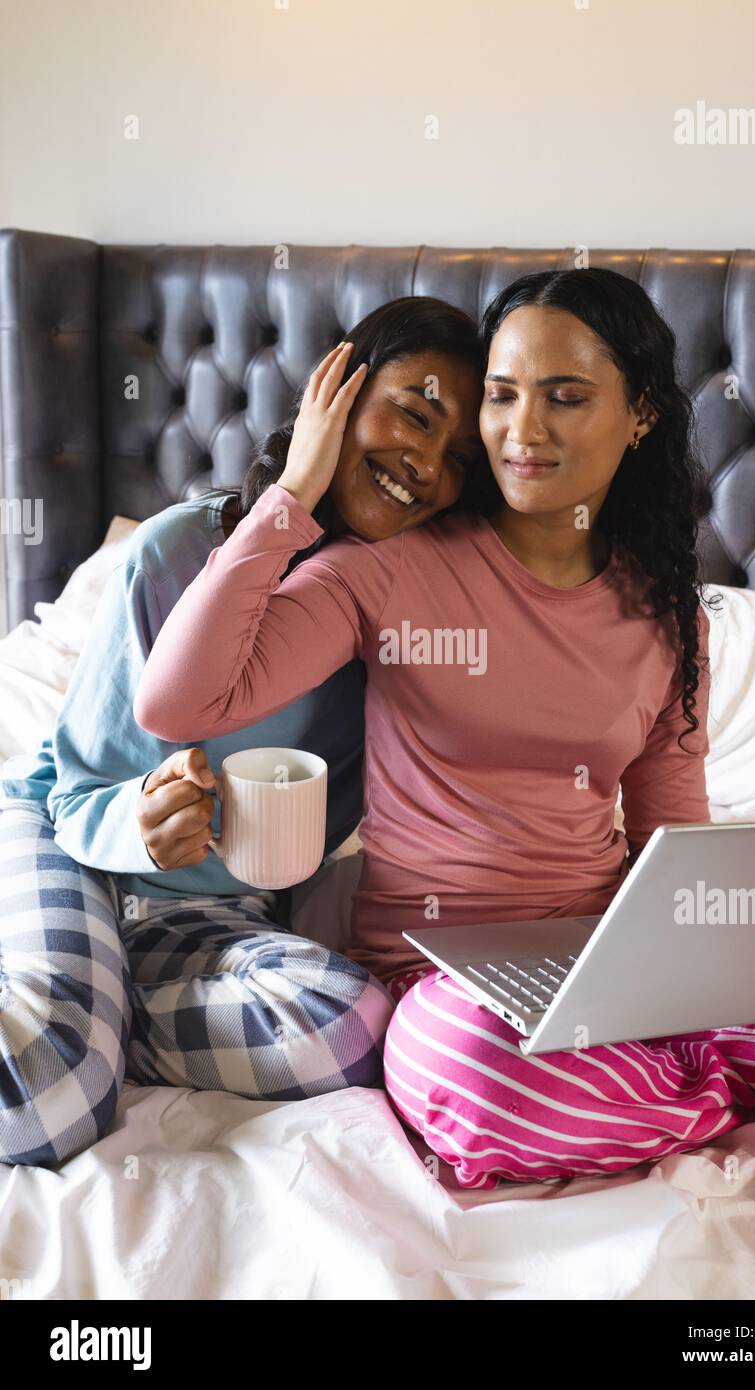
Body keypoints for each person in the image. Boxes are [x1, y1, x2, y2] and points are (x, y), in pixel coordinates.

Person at [133, 268, 755, 1189]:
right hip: (444, 984)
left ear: (639, 413)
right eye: (502, 396)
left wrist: (706, 969)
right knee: (467, 1076)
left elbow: (671, 834)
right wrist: (293, 492)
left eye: (565, 398)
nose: (523, 430)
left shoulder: (666, 612)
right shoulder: (388, 568)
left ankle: (679, 1066)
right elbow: (178, 703)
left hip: (610, 955)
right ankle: (717, 1091)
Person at [0, 296, 485, 1167]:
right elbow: (73, 789)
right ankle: (78, 1031)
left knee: (350, 1028)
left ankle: (92, 1018)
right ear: (338, 387)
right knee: (47, 1103)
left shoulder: (407, 620)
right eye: (414, 412)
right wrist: (140, 818)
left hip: (205, 915)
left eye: (458, 459)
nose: (423, 462)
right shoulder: (176, 553)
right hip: (68, 845)